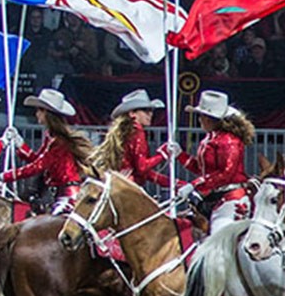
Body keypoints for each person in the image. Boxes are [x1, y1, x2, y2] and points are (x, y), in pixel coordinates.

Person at [0, 88, 92, 215]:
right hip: (56, 194)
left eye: (39, 110)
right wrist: (20, 146)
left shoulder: (58, 142)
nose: (36, 114)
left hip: (68, 197)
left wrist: (3, 176)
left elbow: (37, 166)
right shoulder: (51, 137)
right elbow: (37, 161)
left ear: (46, 113)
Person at [168, 90, 253, 231]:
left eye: (200, 116)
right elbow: (201, 169)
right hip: (213, 196)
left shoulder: (229, 141)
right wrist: (180, 155)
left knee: (218, 231)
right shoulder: (210, 139)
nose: (199, 119)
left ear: (208, 118)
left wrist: (194, 185)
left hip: (231, 198)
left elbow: (226, 174)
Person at [92, 89, 178, 188]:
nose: (150, 114)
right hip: (128, 187)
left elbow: (142, 171)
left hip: (120, 183)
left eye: (151, 110)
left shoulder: (126, 133)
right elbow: (142, 168)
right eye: (145, 110)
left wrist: (174, 183)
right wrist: (163, 154)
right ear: (132, 113)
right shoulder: (137, 132)